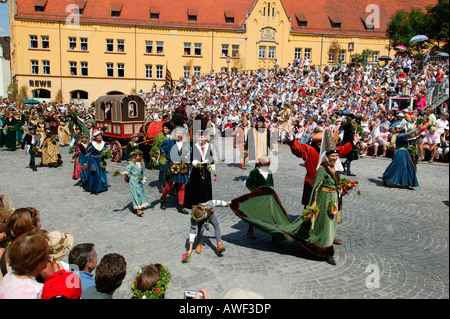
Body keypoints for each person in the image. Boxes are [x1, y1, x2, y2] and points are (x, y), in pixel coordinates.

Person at [296, 130, 345, 265]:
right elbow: (316, 187)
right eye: (332, 156)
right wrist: (314, 202)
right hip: (323, 198)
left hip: (333, 199)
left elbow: (338, 184)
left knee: (331, 222)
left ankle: (325, 242)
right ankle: (326, 250)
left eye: (336, 156)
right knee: (324, 223)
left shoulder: (337, 168)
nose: (334, 158)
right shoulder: (322, 168)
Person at [0, 231, 55, 299]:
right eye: (48, 253)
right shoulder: (39, 292)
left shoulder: (9, 276)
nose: (49, 256)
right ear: (38, 260)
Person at [159, 126, 191, 214]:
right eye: (177, 133)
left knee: (182, 186)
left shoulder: (186, 144)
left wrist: (186, 156)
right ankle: (163, 200)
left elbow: (187, 156)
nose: (179, 135)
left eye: (181, 133)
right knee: (168, 186)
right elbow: (161, 148)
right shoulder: (169, 142)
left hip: (182, 165)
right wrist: (159, 153)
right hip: (171, 165)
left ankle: (180, 206)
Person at [184, 127, 215, 209]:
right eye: (199, 137)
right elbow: (193, 158)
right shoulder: (195, 146)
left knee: (205, 186)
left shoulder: (208, 146)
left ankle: (204, 202)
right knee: (195, 185)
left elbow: (211, 157)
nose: (200, 138)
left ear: (205, 138)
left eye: (202, 137)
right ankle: (194, 202)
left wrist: (212, 167)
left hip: (206, 168)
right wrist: (196, 163)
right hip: (197, 169)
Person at [245, 155, 274, 239]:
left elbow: (271, 182)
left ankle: (273, 233)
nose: (268, 166)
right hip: (256, 196)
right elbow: (249, 183)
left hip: (267, 197)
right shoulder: (255, 172)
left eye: (268, 164)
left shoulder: (269, 172)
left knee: (270, 214)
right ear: (261, 164)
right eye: (267, 164)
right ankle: (250, 230)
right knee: (253, 214)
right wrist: (256, 191)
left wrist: (271, 188)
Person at [79, 129, 109, 194]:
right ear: (95, 137)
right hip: (93, 161)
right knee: (96, 174)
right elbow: (88, 153)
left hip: (101, 160)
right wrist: (85, 163)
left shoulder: (103, 144)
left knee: (102, 174)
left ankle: (102, 187)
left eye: (100, 136)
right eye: (98, 136)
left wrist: (106, 154)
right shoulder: (91, 144)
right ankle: (96, 189)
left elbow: (106, 151)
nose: (100, 137)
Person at [120, 149, 148, 217]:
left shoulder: (142, 163)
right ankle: (138, 209)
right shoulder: (132, 163)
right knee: (135, 194)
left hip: (139, 180)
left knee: (140, 193)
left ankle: (134, 206)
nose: (138, 157)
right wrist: (124, 173)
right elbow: (128, 170)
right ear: (134, 156)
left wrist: (144, 180)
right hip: (133, 180)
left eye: (139, 156)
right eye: (136, 156)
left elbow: (143, 172)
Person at [150, 122, 173, 192]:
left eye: (166, 128)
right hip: (162, 157)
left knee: (168, 172)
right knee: (162, 170)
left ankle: (167, 184)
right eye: (163, 128)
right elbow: (155, 146)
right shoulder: (159, 136)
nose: (164, 129)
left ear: (169, 129)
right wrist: (153, 156)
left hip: (170, 157)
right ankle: (160, 185)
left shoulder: (173, 136)